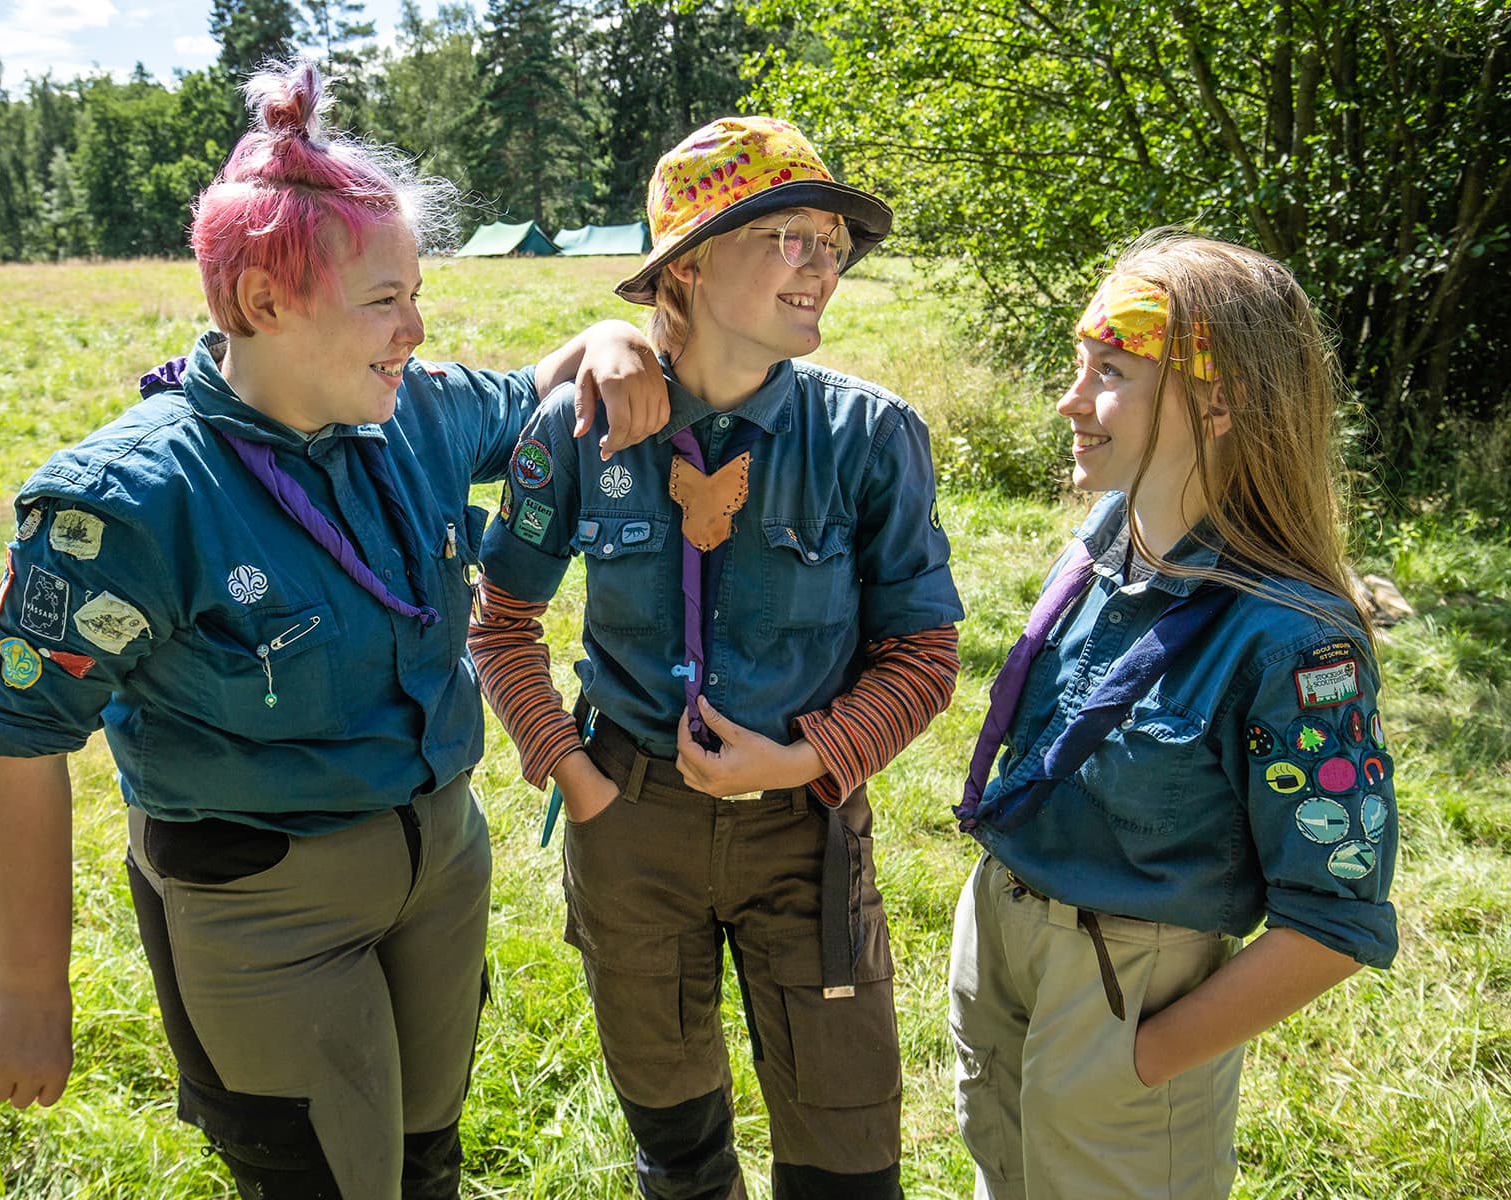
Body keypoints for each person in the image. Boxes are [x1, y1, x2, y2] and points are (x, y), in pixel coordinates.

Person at [0, 58, 668, 1200]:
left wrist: (611, 335)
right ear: (261, 303)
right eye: (384, 300)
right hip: (263, 905)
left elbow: (545, 384)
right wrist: (32, 993)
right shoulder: (129, 503)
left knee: (426, 1163)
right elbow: (16, 735)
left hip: (438, 867)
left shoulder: (415, 412)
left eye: (416, 293)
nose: (415, 328)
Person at [467, 117, 965, 1200]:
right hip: (630, 826)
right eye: (790, 237)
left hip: (806, 828)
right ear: (687, 266)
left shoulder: (869, 438)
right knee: (679, 1154)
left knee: (848, 1163)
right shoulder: (578, 429)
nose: (823, 266)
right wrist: (578, 779)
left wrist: (809, 759)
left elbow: (925, 651)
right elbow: (500, 624)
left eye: (834, 243)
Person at [948, 230, 1400, 1199]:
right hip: (1003, 937)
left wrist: (1140, 1058)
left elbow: (1335, 921)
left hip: (1127, 989)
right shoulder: (1105, 542)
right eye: (1080, 365)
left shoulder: (1294, 642)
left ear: (1220, 402)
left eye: (1109, 373)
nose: (1070, 401)